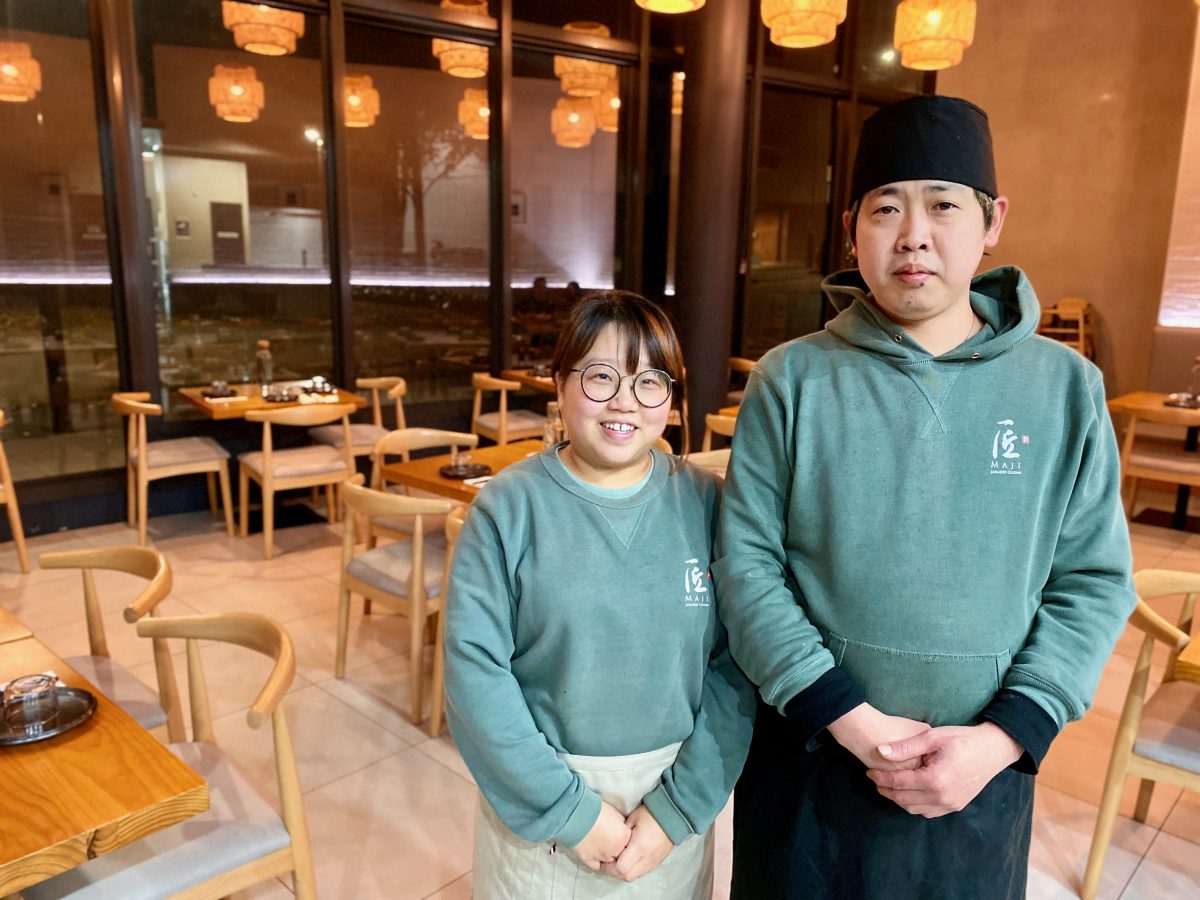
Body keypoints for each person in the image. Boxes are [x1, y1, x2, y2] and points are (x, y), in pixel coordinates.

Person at [714, 95, 1136, 899]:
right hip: (811, 756)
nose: (913, 233)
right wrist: (847, 717)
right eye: (886, 208)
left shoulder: (1065, 389)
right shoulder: (792, 379)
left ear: (992, 221)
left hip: (981, 773)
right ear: (852, 229)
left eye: (942, 204)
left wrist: (1003, 739)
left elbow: (1092, 582)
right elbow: (746, 566)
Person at [445, 291, 755, 899]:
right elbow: (474, 675)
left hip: (671, 807)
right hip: (543, 804)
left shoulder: (709, 504)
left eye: (649, 382)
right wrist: (570, 813)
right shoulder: (508, 509)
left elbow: (736, 666)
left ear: (671, 398)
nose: (623, 402)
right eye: (600, 376)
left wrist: (678, 809)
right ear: (560, 385)